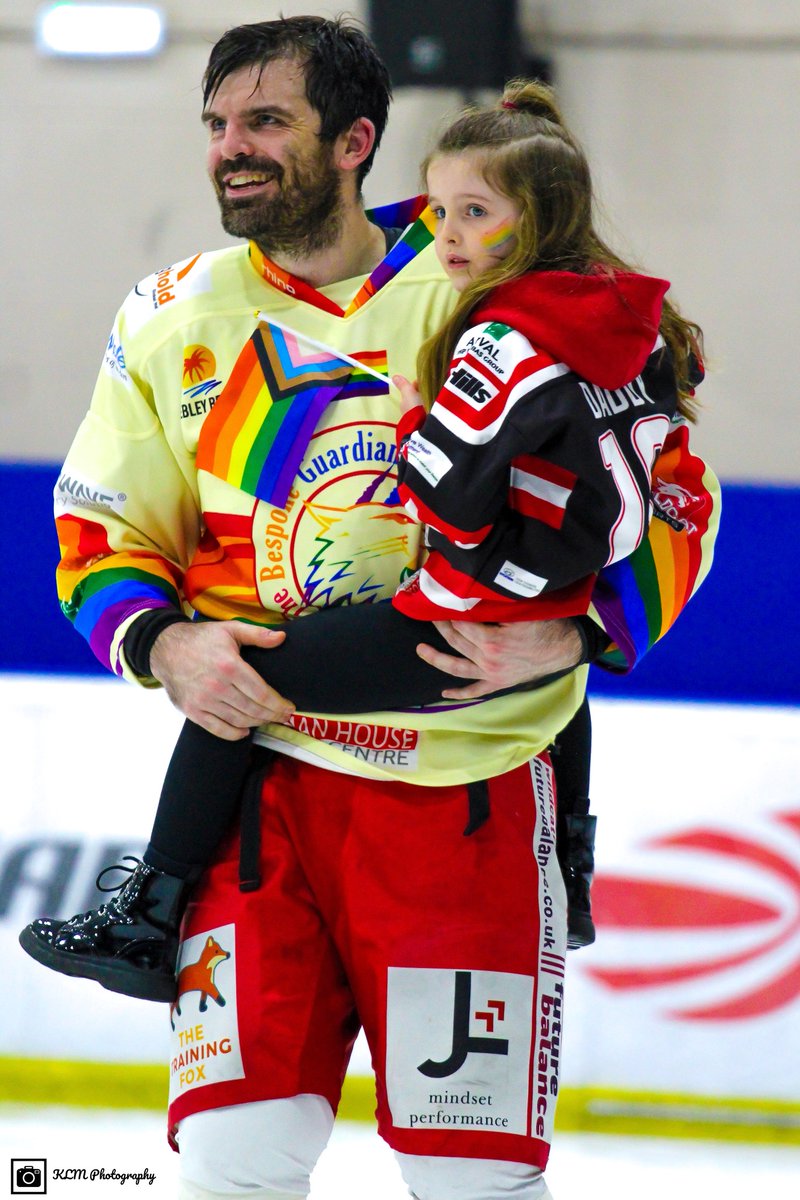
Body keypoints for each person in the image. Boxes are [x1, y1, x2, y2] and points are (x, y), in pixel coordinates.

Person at [19, 17, 719, 1200]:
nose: (229, 151)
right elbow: (98, 527)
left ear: (354, 141)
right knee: (230, 1167)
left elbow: (674, 499)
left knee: (465, 1179)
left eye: (264, 123)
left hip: (465, 808)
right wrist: (169, 642)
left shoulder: (499, 287)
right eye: (215, 126)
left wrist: (583, 628)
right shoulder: (166, 314)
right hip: (261, 800)